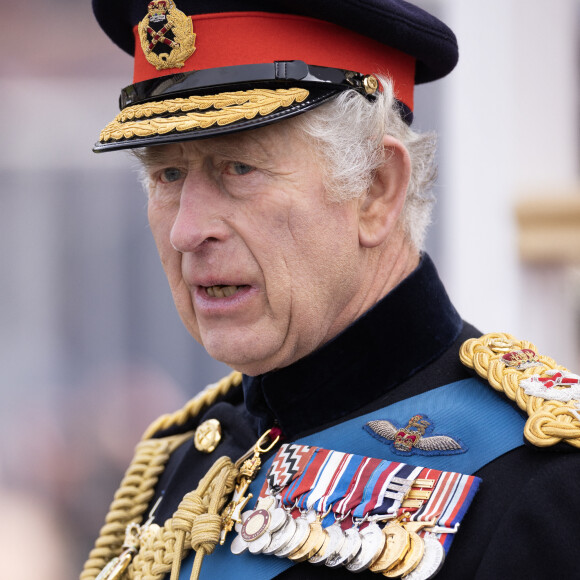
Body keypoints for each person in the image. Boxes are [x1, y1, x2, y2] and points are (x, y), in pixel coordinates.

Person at [82, 1, 580, 579]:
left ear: (377, 188)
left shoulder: (541, 483)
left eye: (238, 168)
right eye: (167, 174)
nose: (187, 231)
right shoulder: (184, 455)